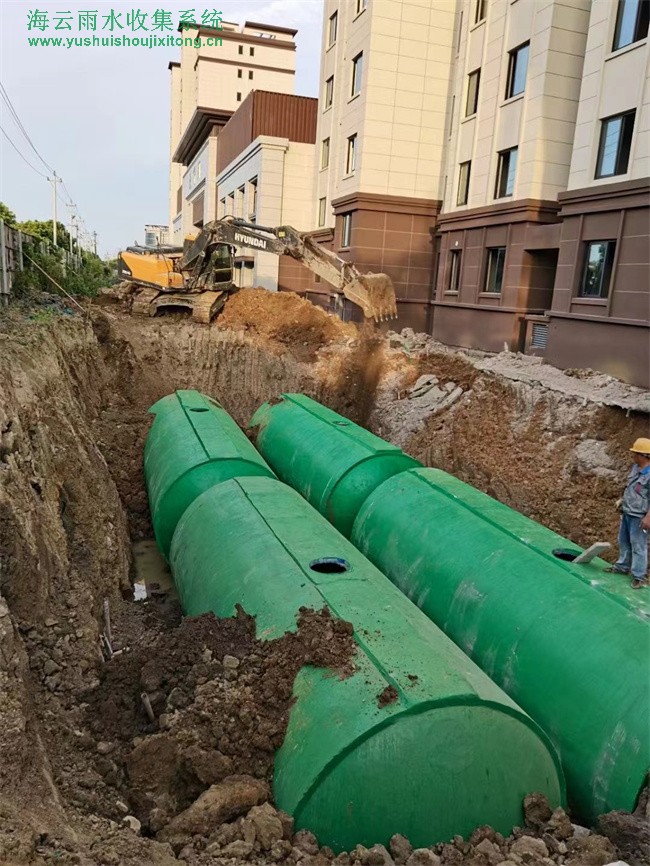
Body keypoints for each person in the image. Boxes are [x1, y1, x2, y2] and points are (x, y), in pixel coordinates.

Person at [606, 438, 650, 588]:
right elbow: (630, 488)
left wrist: (648, 518)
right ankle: (622, 566)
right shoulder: (635, 468)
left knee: (638, 546)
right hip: (627, 512)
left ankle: (639, 576)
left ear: (644, 455)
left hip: (639, 516)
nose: (633, 456)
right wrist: (622, 501)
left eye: (636, 453)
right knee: (623, 540)